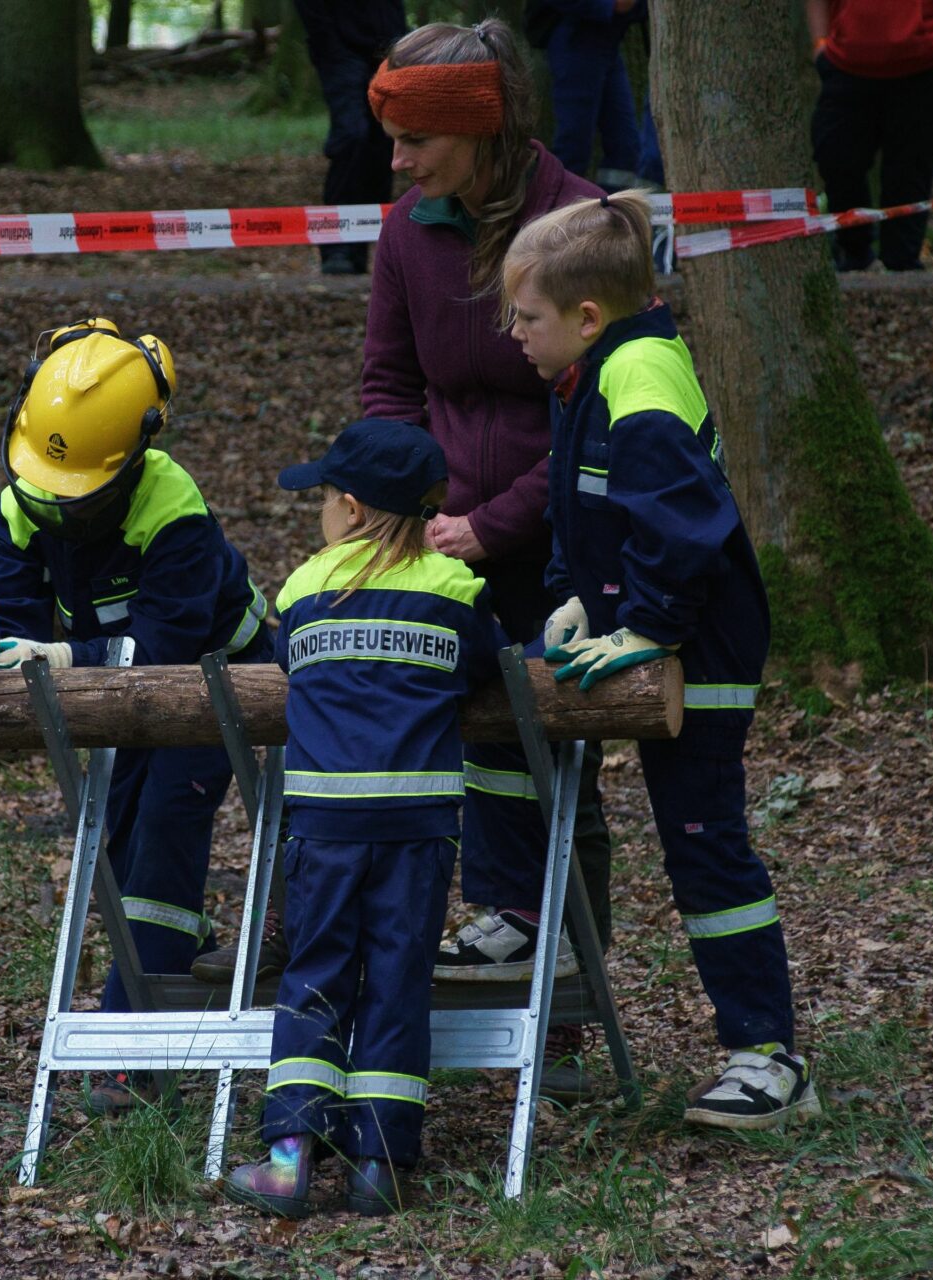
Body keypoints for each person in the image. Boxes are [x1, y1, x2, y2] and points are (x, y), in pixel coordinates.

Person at [503, 190, 817, 1130]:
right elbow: (586, 509)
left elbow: (679, 525)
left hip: (698, 644)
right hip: (629, 628)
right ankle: (519, 939)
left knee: (703, 840)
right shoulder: (588, 374)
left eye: (525, 317)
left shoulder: (637, 374)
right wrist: (567, 592)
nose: (510, 333)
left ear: (586, 317)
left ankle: (769, 1058)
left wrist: (648, 626)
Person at [356, 18, 614, 1104]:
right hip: (439, 534)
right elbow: (388, 383)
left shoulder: (579, 224)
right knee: (438, 734)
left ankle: (561, 1015)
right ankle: (457, 950)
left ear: (482, 127)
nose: (400, 161)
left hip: (553, 536)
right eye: (393, 137)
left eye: (418, 139)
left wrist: (497, 523)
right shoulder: (404, 231)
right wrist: (405, 504)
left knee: (551, 758)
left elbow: (598, 409)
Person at [0, 318, 272, 1115]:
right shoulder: (28, 495)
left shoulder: (173, 509)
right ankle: (174, 961)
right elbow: (7, 596)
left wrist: (68, 660)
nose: (57, 508)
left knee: (163, 829)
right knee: (119, 835)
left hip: (214, 686)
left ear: (130, 459)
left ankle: (136, 1050)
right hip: (121, 693)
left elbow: (170, 638)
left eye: (78, 496)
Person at [224, 419, 505, 1220]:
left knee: (314, 981)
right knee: (395, 983)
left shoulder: (305, 592)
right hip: (417, 828)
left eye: (321, 498)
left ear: (348, 509)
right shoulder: (454, 592)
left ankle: (287, 1164)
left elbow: (287, 661)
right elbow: (486, 663)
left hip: (323, 828)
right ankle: (378, 1169)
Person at [807, 0, 933, 272]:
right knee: (835, 156)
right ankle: (853, 253)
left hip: (931, 63)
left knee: (910, 172)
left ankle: (901, 267)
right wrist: (820, 44)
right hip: (846, 63)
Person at [292, 0, 407, 275]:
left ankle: (368, 245)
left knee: (384, 141)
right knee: (351, 136)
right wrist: (327, 42)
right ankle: (337, 244)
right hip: (338, 49)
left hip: (388, 48)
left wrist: (400, 43)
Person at [525, 0, 653, 191]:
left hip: (608, 42)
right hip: (576, 38)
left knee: (625, 145)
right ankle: (560, 211)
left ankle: (613, 212)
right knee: (574, 143)